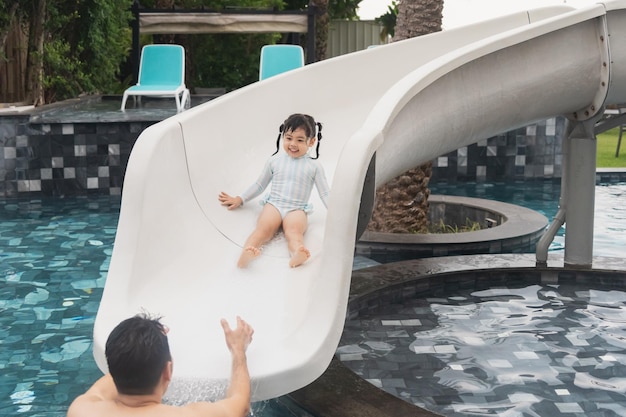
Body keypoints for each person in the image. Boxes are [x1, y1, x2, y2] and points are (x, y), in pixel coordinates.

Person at [67, 313, 254, 417]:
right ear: (168, 371)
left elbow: (119, 370)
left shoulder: (81, 410)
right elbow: (240, 403)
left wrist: (142, 345)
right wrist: (238, 350)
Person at [219, 113, 330, 268]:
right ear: (283, 136)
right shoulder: (274, 161)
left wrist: (335, 211)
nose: (293, 144)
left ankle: (297, 253)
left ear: (311, 142)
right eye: (289, 138)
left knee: (294, 233)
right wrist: (240, 198)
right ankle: (247, 253)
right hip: (274, 205)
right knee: (263, 229)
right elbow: (259, 185)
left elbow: (325, 193)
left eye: (300, 140)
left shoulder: (314, 167)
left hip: (297, 208)